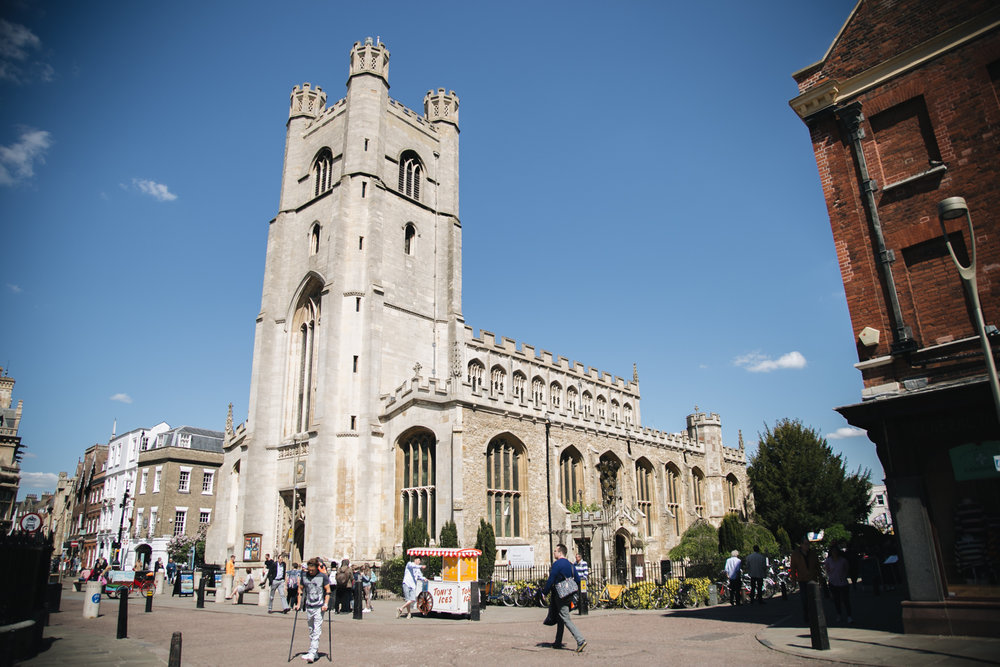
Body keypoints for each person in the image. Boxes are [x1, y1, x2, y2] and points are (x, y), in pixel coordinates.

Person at [541, 544, 586, 652]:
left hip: (560, 595)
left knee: (565, 618)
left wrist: (544, 592)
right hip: (569, 594)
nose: (554, 553)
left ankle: (580, 640)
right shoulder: (570, 564)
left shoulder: (557, 564)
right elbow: (578, 580)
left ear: (560, 553)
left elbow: (551, 579)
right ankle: (558, 641)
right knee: (561, 617)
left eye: (555, 551)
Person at [295, 557, 331, 664]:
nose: (310, 572)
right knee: (311, 630)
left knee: (317, 630)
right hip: (309, 606)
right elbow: (300, 590)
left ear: (317, 568)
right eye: (309, 570)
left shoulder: (323, 577)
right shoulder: (304, 576)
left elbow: (328, 591)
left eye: (312, 570)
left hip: (319, 607)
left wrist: (326, 604)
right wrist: (298, 604)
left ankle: (312, 653)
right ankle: (313, 651)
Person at [790, 536, 821, 623]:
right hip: (802, 579)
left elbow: (817, 566)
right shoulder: (796, 554)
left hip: (812, 579)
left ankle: (815, 615)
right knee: (804, 599)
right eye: (806, 544)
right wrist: (794, 580)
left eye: (808, 544)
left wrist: (820, 578)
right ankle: (806, 616)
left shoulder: (812, 554)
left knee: (814, 598)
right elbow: (793, 568)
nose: (807, 546)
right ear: (802, 545)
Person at [824, 545, 852, 623]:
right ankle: (839, 614)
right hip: (833, 582)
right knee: (836, 600)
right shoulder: (829, 561)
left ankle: (849, 616)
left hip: (843, 582)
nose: (834, 553)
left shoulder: (843, 560)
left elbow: (847, 569)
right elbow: (827, 570)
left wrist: (844, 575)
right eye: (833, 551)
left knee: (845, 600)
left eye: (836, 551)